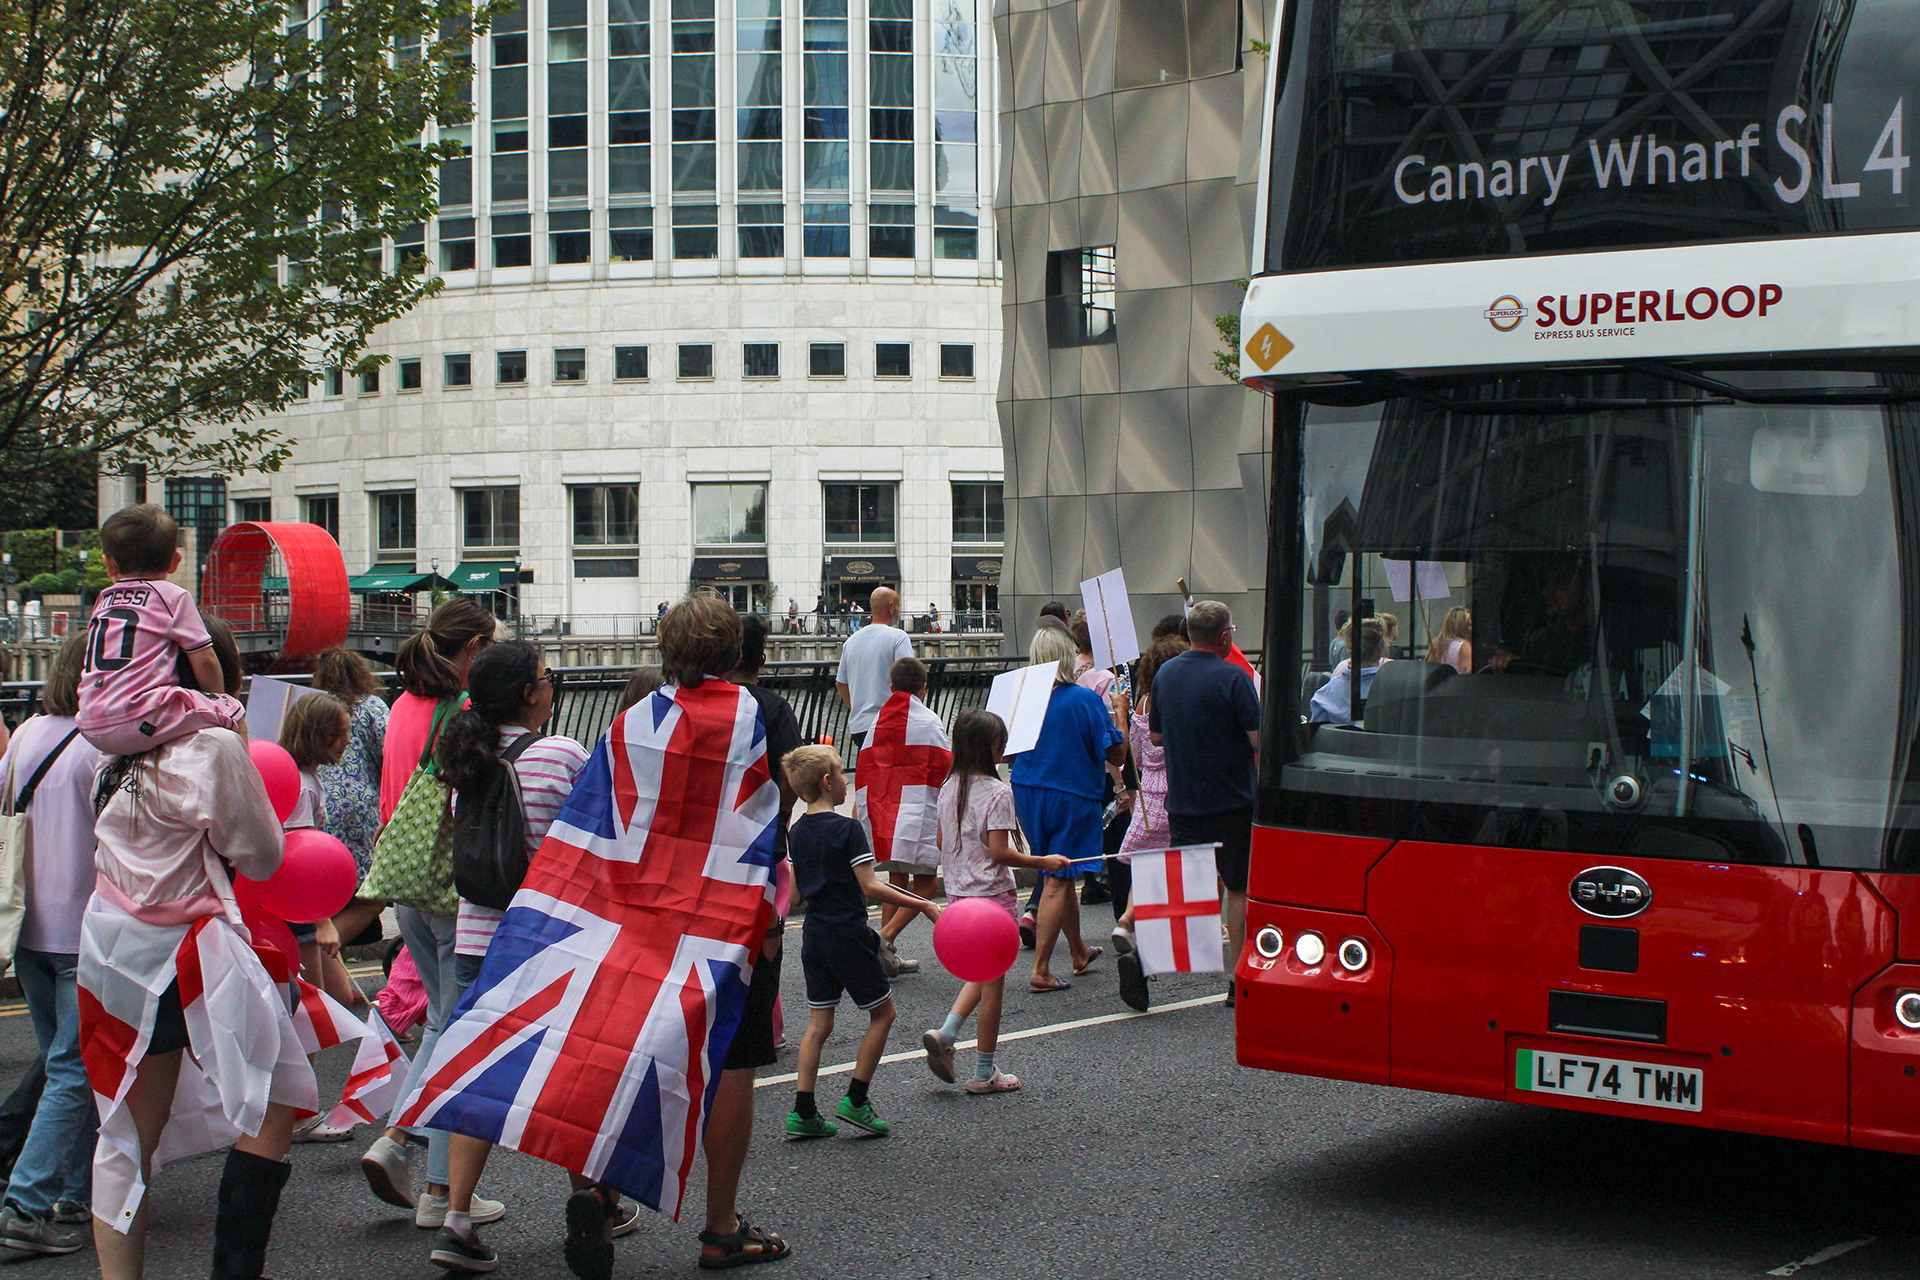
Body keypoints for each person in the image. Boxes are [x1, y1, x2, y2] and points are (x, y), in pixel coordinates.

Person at [395, 596, 791, 1274]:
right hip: (721, 923)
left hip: (629, 920)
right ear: (731, 650)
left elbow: (592, 827)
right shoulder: (757, 717)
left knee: (614, 1048)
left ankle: (600, 1192)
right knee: (731, 1061)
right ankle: (720, 1226)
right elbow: (761, 819)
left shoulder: (632, 721)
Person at [79, 618, 301, 1280]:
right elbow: (262, 858)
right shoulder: (213, 748)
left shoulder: (109, 752)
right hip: (192, 953)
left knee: (123, 1137)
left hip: (111, 948)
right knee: (274, 1097)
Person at [426, 640, 602, 1275]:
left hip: (478, 941)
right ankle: (589, 1197)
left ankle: (458, 1218)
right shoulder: (562, 755)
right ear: (531, 694)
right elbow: (600, 838)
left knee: (478, 1077)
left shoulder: (466, 760)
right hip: (549, 940)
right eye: (547, 679)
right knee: (572, 1075)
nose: (552, 687)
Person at [356, 595, 502, 1228]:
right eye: (489, 646)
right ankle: (430, 1179)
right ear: (471, 651)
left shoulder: (401, 707)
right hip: (450, 888)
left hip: (406, 881)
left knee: (443, 1021)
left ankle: (418, 1165)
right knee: (452, 1026)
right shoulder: (462, 710)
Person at [0, 636, 103, 1255]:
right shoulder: (98, 746)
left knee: (66, 1064)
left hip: (28, 927)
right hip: (82, 924)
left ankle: (74, 1189)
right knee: (74, 1068)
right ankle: (26, 1202)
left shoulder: (27, 734)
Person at [782, 745, 940, 1140]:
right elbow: (870, 885)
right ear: (827, 781)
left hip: (814, 936)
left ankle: (803, 1111)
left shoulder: (797, 831)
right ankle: (856, 1099)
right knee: (883, 1015)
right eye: (841, 771)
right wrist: (924, 904)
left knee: (819, 1024)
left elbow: (797, 896)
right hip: (848, 935)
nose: (846, 779)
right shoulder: (847, 829)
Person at [922, 711, 1069, 1093]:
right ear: (990, 748)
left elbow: (942, 842)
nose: (1004, 748)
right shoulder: (998, 791)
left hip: (958, 897)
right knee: (994, 986)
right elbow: (1001, 852)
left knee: (984, 974)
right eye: (1001, 742)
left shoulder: (949, 786)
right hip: (991, 898)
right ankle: (983, 1072)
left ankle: (948, 1032)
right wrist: (1043, 861)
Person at [1149, 601, 1261, 1006]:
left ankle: (1148, 960)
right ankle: (1237, 979)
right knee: (1237, 886)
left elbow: (1157, 738)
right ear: (1226, 637)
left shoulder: (1165, 674)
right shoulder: (1234, 677)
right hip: (1232, 800)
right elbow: (1257, 741)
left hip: (1183, 800)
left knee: (1186, 886)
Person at [75, 503, 244, 756]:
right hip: (140, 716)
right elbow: (205, 658)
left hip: (89, 721)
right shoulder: (171, 596)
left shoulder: (103, 600)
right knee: (234, 710)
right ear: (175, 560)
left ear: (108, 565)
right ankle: (246, 782)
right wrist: (217, 699)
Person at [1011, 626, 1124, 992]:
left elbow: (1006, 750)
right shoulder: (1083, 699)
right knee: (1059, 876)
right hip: (1071, 793)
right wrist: (1120, 717)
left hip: (1028, 791)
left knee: (1060, 866)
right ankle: (1041, 969)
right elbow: (1116, 754)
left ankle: (1077, 951)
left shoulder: (1022, 698)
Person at [729, 617, 803, 1053]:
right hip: (765, 844)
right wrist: (782, 811)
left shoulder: (698, 704)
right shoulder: (773, 708)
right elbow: (791, 776)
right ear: (762, 656)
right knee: (766, 941)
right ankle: (765, 1031)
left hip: (714, 848)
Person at [860, 657, 951, 975]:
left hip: (885, 809)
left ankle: (884, 957)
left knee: (896, 884)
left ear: (891, 687)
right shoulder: (928, 721)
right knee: (925, 885)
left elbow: (866, 768)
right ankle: (883, 937)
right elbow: (943, 765)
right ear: (924, 689)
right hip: (915, 810)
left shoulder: (877, 722)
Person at [1111, 635, 1187, 1011]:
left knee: (1148, 869)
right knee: (1178, 878)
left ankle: (1126, 920)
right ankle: (1144, 945)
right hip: (1179, 793)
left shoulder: (1142, 703)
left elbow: (1136, 757)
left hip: (1148, 795)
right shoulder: (1183, 703)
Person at [277, 692, 358, 1010]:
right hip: (299, 911)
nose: (348, 741)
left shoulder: (305, 777)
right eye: (340, 734)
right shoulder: (302, 785)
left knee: (337, 998)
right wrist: (322, 921)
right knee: (312, 1010)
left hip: (302, 909)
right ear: (316, 734)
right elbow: (299, 861)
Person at [310, 648, 389, 893]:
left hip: (321, 800)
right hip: (363, 805)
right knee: (365, 886)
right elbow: (388, 751)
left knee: (330, 877)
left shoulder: (316, 708)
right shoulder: (372, 706)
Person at [834, 587, 912, 752]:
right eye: (898, 605)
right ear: (891, 607)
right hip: (890, 725)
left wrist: (856, 707)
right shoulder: (898, 637)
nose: (899, 610)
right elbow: (909, 679)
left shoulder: (851, 641)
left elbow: (841, 683)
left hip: (860, 727)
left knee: (871, 774)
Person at [1311, 619, 1386, 725]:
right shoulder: (1392, 687)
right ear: (1380, 649)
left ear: (1351, 649)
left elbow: (1317, 733)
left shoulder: (1325, 694)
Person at [1428, 606, 1473, 675]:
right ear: (1461, 626)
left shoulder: (1436, 643)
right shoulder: (1464, 646)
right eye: (1469, 625)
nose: (1472, 629)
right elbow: (1466, 672)